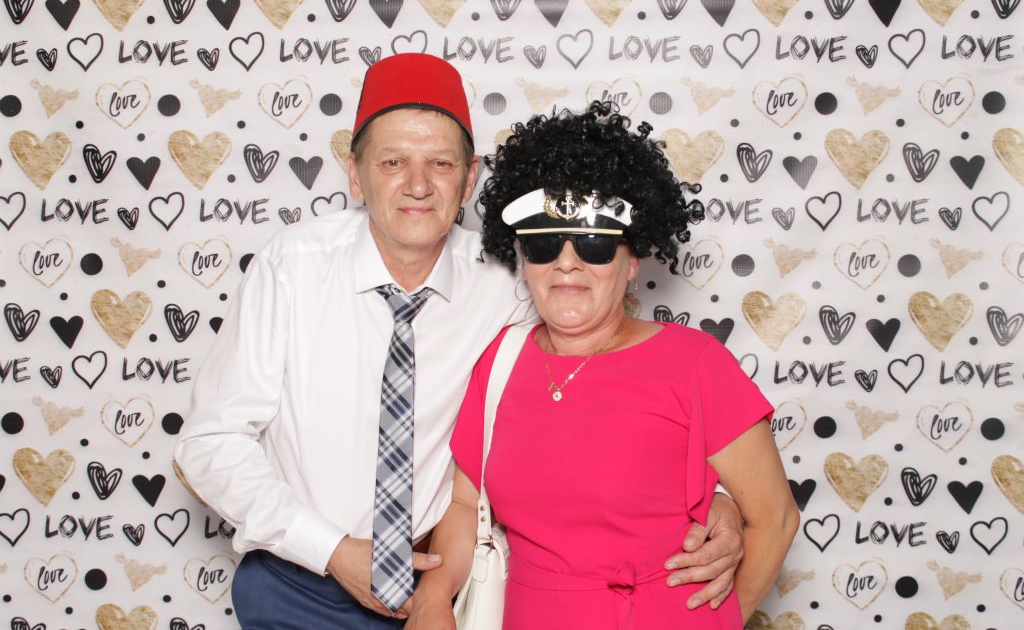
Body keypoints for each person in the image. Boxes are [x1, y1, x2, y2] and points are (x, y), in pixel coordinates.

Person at [174, 55, 745, 629]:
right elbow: (210, 442)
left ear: (469, 179)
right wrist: (330, 549)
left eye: (440, 164)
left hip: (449, 584)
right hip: (302, 581)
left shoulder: (512, 275)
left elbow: (597, 376)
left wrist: (716, 497)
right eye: (393, 162)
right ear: (355, 173)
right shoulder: (292, 267)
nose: (418, 185)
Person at [406, 102, 799, 630]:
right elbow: (463, 505)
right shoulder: (499, 360)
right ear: (523, 258)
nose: (567, 261)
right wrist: (433, 597)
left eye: (594, 242)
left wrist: (719, 622)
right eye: (544, 242)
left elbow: (776, 519)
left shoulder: (696, 363)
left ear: (632, 261)